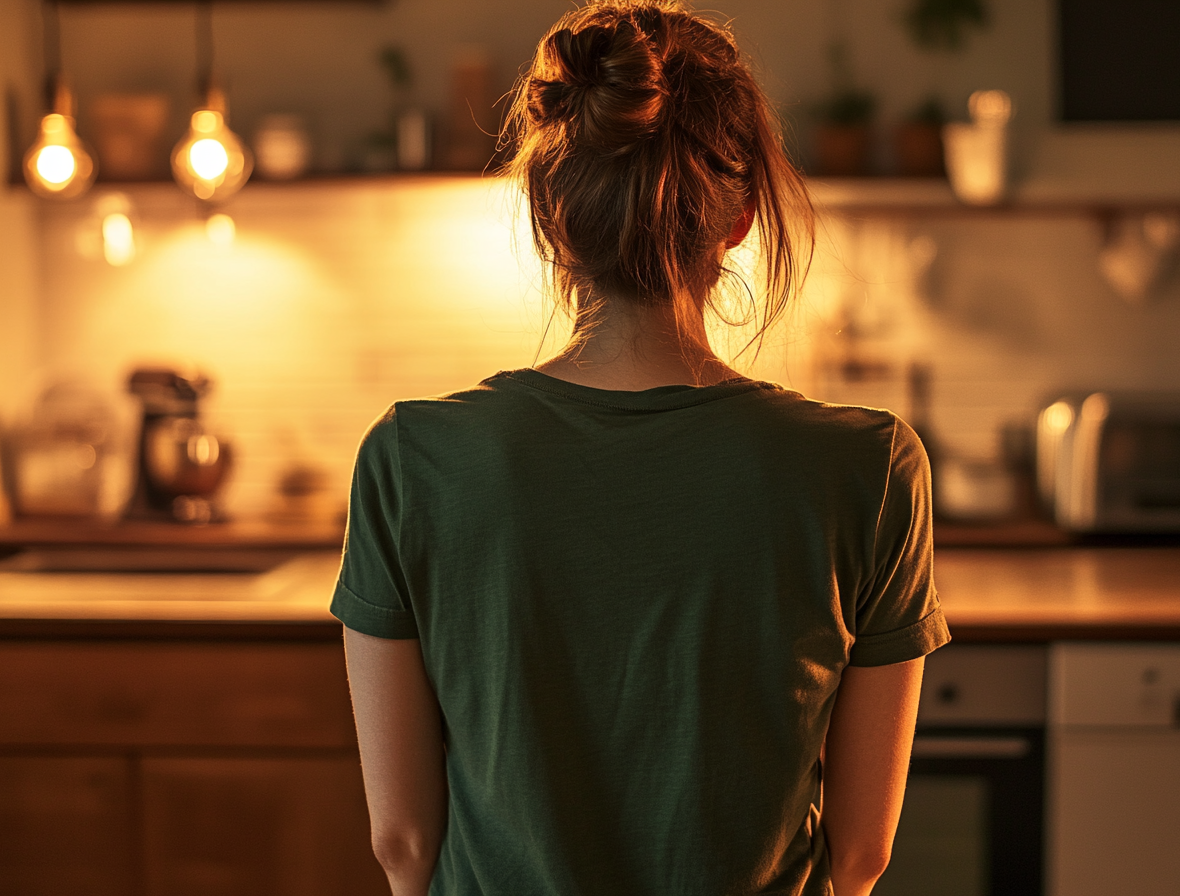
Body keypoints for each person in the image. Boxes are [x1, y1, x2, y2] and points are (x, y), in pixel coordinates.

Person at [332, 2, 950, 894]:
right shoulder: (870, 468)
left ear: (551, 219)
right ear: (739, 218)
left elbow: (401, 841)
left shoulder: (410, 461)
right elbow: (860, 856)